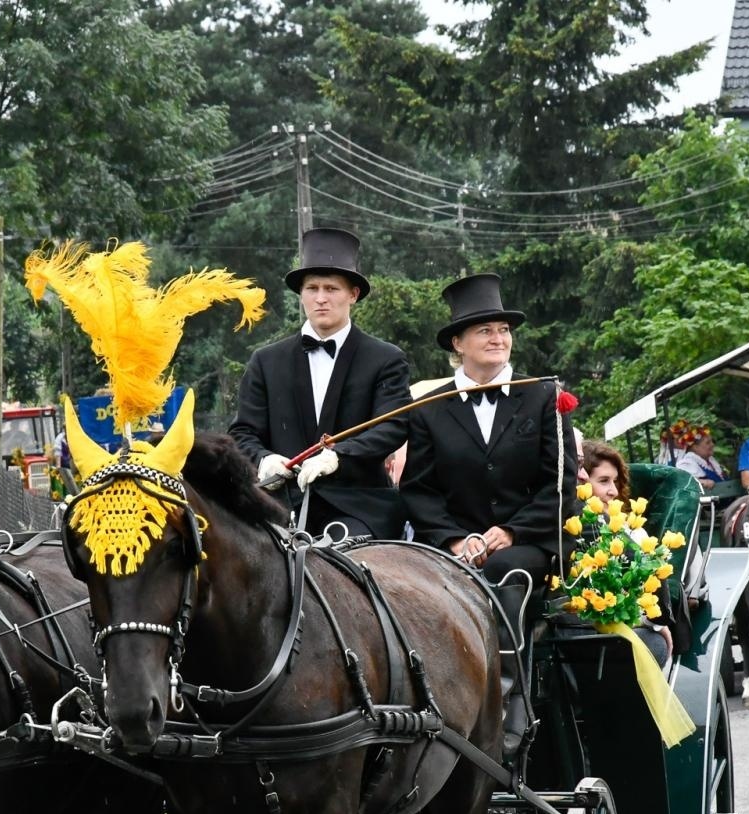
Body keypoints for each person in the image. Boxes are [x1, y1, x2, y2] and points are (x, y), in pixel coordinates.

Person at [399, 273, 575, 760]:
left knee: (505, 570)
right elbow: (418, 490)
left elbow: (560, 484)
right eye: (485, 331)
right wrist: (456, 540)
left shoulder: (543, 395)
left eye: (503, 330)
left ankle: (505, 712)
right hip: (455, 544)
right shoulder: (428, 408)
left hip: (529, 540)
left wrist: (510, 530)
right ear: (458, 343)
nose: (498, 339)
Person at [229, 227, 411, 538]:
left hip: (358, 508)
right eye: (312, 288)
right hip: (280, 506)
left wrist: (340, 455)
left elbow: (393, 425)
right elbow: (243, 432)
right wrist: (264, 459)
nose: (321, 299)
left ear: (353, 294)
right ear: (301, 295)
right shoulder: (265, 361)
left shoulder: (385, 359)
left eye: (332, 289)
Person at [579, 439, 675, 665]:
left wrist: (654, 624)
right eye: (603, 481)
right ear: (582, 481)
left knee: (655, 644)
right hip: (582, 628)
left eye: (615, 481)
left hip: (629, 623)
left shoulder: (633, 531)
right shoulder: (572, 527)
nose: (612, 491)